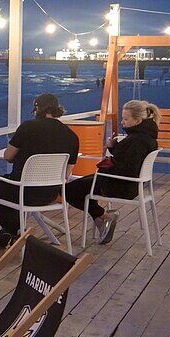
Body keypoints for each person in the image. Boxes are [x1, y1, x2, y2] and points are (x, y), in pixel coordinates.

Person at [0, 93, 78, 248]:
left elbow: (8, 156)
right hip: (50, 193)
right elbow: (66, 174)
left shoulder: (27, 127)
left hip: (21, 191)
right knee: (9, 187)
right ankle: (9, 229)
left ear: (38, 108)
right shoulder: (72, 136)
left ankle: (13, 227)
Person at [66, 99, 160, 245]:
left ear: (137, 120)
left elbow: (128, 168)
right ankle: (101, 220)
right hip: (129, 185)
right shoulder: (146, 137)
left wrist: (106, 166)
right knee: (81, 186)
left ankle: (104, 217)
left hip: (120, 186)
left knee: (69, 190)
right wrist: (114, 147)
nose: (123, 122)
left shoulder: (136, 141)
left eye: (126, 119)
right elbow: (128, 159)